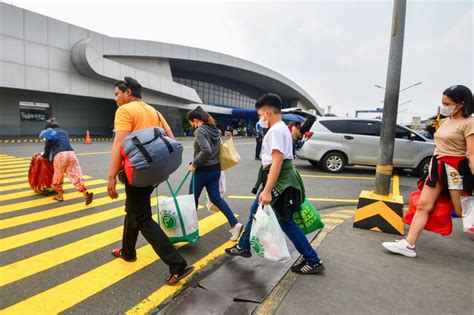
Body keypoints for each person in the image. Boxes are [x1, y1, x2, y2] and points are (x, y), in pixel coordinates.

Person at [225, 93, 325, 274]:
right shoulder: (280, 128)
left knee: (286, 223)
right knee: (254, 211)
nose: (259, 118)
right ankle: (244, 246)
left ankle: (313, 260)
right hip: (275, 180)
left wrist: (268, 191)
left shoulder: (277, 130)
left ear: (268, 113)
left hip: (279, 182)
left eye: (260, 114)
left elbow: (277, 161)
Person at [107, 76, 193, 285]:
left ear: (128, 92)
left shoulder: (125, 111)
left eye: (117, 94)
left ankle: (176, 264)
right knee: (134, 211)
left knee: (141, 217)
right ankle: (128, 251)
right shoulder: (154, 111)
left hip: (136, 172)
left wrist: (111, 177)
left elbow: (119, 144)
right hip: (154, 172)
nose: (116, 99)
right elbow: (170, 139)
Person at [383, 85, 473, 258]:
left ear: (461, 104)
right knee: (423, 205)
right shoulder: (446, 121)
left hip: (455, 171)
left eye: (447, 103)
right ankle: (408, 244)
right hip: (437, 166)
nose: (443, 105)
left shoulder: (469, 123)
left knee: (463, 212)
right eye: (442, 102)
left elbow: (471, 153)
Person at [188, 106, 243, 241]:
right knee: (216, 198)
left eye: (191, 122)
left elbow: (206, 150)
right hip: (215, 170)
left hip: (202, 172)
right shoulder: (215, 130)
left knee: (191, 200)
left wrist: (195, 164)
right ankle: (235, 225)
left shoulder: (200, 131)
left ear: (195, 120)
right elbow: (212, 150)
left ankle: (190, 231)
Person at [39, 118, 93, 205]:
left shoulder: (49, 132)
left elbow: (47, 147)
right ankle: (85, 193)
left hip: (60, 155)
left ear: (48, 128)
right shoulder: (64, 132)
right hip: (71, 153)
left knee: (58, 175)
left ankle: (60, 195)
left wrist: (44, 155)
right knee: (75, 174)